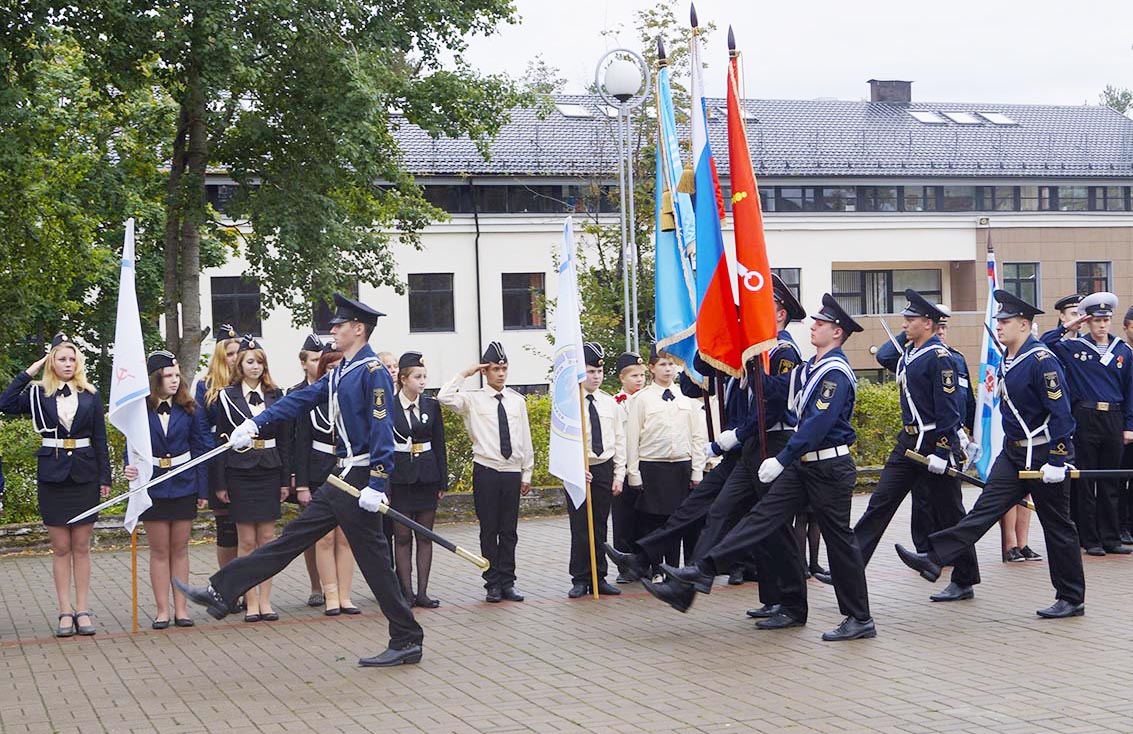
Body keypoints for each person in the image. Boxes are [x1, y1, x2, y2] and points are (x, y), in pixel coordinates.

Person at [178, 293, 424, 668]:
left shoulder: (371, 371)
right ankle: (222, 590)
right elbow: (302, 399)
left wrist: (377, 483)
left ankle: (406, 638)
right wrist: (255, 423)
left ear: (358, 329)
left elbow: (381, 431)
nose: (333, 331)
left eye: (339, 325)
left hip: (358, 477)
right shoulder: (343, 370)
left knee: (344, 553)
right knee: (318, 545)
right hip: (343, 475)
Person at [660, 294, 876, 642]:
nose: (814, 326)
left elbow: (816, 424)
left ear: (837, 333)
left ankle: (859, 618)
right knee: (761, 517)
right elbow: (775, 387)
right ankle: (703, 569)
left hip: (829, 468)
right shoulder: (811, 367)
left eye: (821, 323)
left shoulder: (834, 372)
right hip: (804, 466)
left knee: (840, 543)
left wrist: (782, 459)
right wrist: (749, 361)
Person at [607, 273, 808, 624]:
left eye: (759, 308)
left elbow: (773, 405)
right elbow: (696, 380)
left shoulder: (781, 351)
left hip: (769, 443)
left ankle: (789, 603)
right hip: (746, 445)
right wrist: (710, 335)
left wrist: (736, 434)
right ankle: (653, 563)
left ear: (778, 314)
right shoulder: (747, 349)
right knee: (709, 509)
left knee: (771, 526)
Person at [897, 289, 1085, 619]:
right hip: (1013, 455)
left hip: (1043, 456)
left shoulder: (1041, 362)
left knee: (1058, 527)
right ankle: (935, 557)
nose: (998, 326)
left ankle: (1071, 597)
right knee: (982, 512)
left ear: (1024, 325)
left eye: (1006, 321)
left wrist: (1059, 459)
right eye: (998, 321)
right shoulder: (1009, 359)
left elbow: (1061, 415)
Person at [826, 290, 980, 603]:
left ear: (929, 323)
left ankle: (964, 579)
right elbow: (885, 355)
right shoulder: (910, 352)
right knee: (879, 504)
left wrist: (942, 451)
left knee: (950, 512)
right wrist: (908, 333)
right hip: (907, 442)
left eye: (911, 319)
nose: (905, 324)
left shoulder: (940, 358)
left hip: (933, 443)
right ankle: (849, 567)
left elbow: (949, 409)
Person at [0, 333, 112, 637]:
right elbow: (5, 403)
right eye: (61, 358)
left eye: (72, 359)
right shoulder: (38, 394)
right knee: (61, 548)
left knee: (82, 547)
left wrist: (105, 477)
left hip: (85, 476)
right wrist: (31, 371)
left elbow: (100, 438)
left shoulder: (90, 394)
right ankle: (65, 611)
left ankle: (83, 610)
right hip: (53, 477)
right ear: (52, 361)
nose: (68, 363)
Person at [438, 341, 533, 603]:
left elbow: (524, 438)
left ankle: (508, 582)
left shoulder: (517, 401)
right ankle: (492, 583)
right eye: (495, 369)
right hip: (487, 470)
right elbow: (444, 397)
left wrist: (527, 473)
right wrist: (465, 373)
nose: (500, 374)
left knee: (509, 531)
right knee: (489, 529)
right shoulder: (472, 399)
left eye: (504, 369)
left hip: (511, 471)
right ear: (485, 371)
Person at [1040, 291, 1133, 556]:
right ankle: (1090, 539)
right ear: (1087, 322)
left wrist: (1129, 425)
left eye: (1105, 320)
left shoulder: (1123, 350)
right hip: (1085, 416)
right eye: (1096, 320)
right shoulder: (1074, 348)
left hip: (1113, 417)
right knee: (1086, 481)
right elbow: (1045, 343)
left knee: (1110, 481)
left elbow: (1130, 391)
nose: (1101, 325)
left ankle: (1111, 537)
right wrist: (1068, 326)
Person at [124, 350, 211, 628]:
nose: (175, 380)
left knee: (180, 548)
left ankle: (182, 610)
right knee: (160, 550)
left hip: (184, 483)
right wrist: (129, 467)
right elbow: (132, 447)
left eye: (177, 375)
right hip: (153, 484)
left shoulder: (190, 408)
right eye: (168, 376)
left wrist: (203, 490)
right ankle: (162, 610)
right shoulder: (139, 411)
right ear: (155, 379)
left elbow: (199, 449)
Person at [210, 335, 291, 623]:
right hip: (240, 471)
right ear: (240, 366)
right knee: (245, 540)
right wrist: (220, 483)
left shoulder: (276, 395)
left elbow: (285, 439)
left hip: (269, 469)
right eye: (249, 362)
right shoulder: (226, 396)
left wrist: (285, 480)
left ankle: (266, 601)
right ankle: (251, 600)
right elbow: (221, 440)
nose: (255, 367)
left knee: (267, 539)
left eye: (259, 362)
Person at [623, 347, 707, 568]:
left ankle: (673, 568)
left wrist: (697, 470)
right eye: (662, 364)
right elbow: (632, 438)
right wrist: (634, 473)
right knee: (653, 520)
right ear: (651, 368)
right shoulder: (641, 399)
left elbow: (696, 436)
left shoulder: (686, 397)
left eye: (671, 364)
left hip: (681, 466)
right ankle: (656, 568)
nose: (668, 369)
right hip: (653, 466)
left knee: (677, 520)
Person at [294, 344, 361, 616]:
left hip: (348, 471)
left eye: (340, 367)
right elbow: (301, 445)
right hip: (319, 472)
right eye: (330, 368)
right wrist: (302, 485)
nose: (335, 372)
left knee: (346, 538)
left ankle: (345, 595)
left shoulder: (354, 399)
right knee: (324, 539)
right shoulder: (312, 400)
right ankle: (330, 595)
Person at [567, 343, 626, 598]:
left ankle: (598, 576)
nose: (596, 376)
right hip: (580, 470)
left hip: (603, 467)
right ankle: (580, 578)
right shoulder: (570, 404)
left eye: (599, 371)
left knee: (600, 526)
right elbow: (563, 442)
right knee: (581, 526)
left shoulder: (609, 403)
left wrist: (619, 475)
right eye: (591, 371)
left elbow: (619, 440)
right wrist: (574, 468)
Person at [390, 351, 448, 608]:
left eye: (424, 376)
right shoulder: (388, 406)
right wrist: (384, 483)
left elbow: (439, 444)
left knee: (425, 535)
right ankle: (406, 592)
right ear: (403, 379)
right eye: (417, 377)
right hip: (400, 478)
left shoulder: (431, 405)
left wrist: (442, 481)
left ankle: (422, 592)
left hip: (427, 476)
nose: (423, 381)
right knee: (402, 536)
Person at [194, 324, 240, 570]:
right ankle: (227, 582)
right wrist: (215, 461)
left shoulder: (248, 383)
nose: (234, 358)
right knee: (226, 529)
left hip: (247, 459)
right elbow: (201, 429)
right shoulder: (206, 385)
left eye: (238, 353)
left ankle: (247, 584)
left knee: (247, 528)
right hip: (218, 457)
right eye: (230, 354)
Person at [288, 333, 329, 607]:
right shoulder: (296, 393)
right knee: (312, 534)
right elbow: (292, 441)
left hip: (335, 469)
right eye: (314, 360)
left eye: (321, 359)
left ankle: (336, 587)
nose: (319, 364)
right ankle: (317, 586)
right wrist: (296, 477)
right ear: (303, 363)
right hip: (309, 472)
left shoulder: (333, 389)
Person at [610, 351, 647, 582]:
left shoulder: (651, 400)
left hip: (645, 466)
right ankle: (625, 566)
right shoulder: (614, 403)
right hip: (622, 467)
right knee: (623, 518)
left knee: (646, 518)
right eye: (634, 375)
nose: (639, 379)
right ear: (622, 378)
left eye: (642, 375)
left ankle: (645, 563)